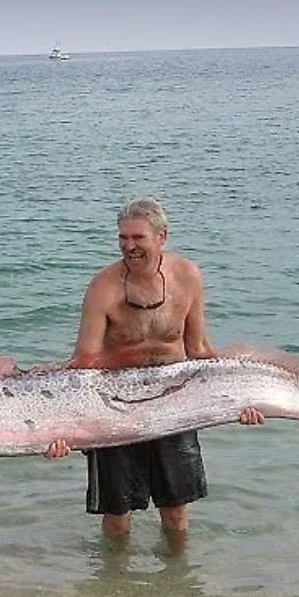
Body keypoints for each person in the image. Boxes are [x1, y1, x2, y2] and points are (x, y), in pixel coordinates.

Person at [45, 197, 264, 547]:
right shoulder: (103, 287)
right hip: (115, 406)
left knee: (176, 511)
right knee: (117, 514)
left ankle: (179, 588)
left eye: (137, 238)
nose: (128, 247)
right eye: (122, 238)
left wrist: (242, 401)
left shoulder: (188, 277)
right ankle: (114, 589)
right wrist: (62, 428)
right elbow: (84, 362)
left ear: (162, 236)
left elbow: (200, 351)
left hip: (174, 401)